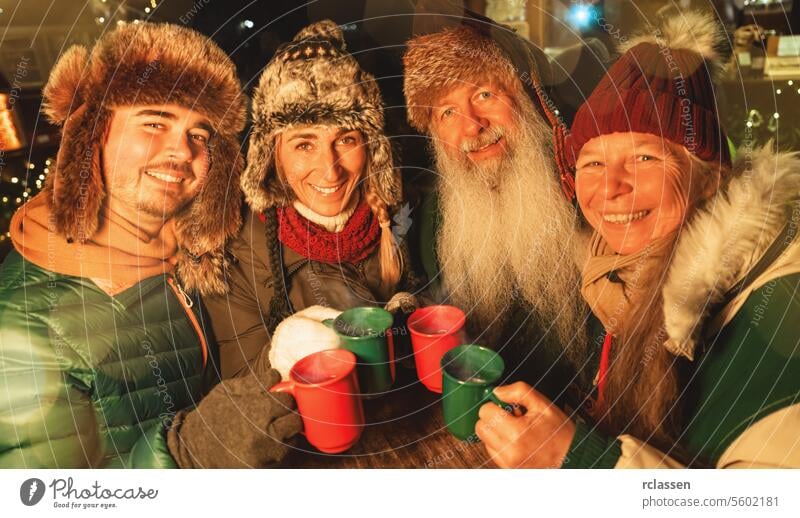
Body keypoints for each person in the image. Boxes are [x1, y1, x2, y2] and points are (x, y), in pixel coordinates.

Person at [476, 12, 800, 468]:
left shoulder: (779, 313)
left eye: (645, 157)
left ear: (709, 178)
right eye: (592, 163)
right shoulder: (612, 269)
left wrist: (582, 462)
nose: (610, 189)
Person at [0, 23, 300, 468]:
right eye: (155, 122)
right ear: (95, 133)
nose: (182, 150)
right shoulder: (22, 334)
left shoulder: (190, 257)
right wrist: (189, 455)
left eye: (199, 134)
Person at [202, 20, 421, 381]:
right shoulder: (236, 255)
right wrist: (292, 353)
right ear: (272, 157)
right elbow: (241, 390)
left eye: (346, 139)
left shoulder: (405, 217)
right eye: (304, 144)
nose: (330, 171)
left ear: (370, 148)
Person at [402, 21, 602, 398]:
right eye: (447, 112)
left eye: (484, 95)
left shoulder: (586, 192)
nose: (472, 126)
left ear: (525, 98)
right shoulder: (432, 219)